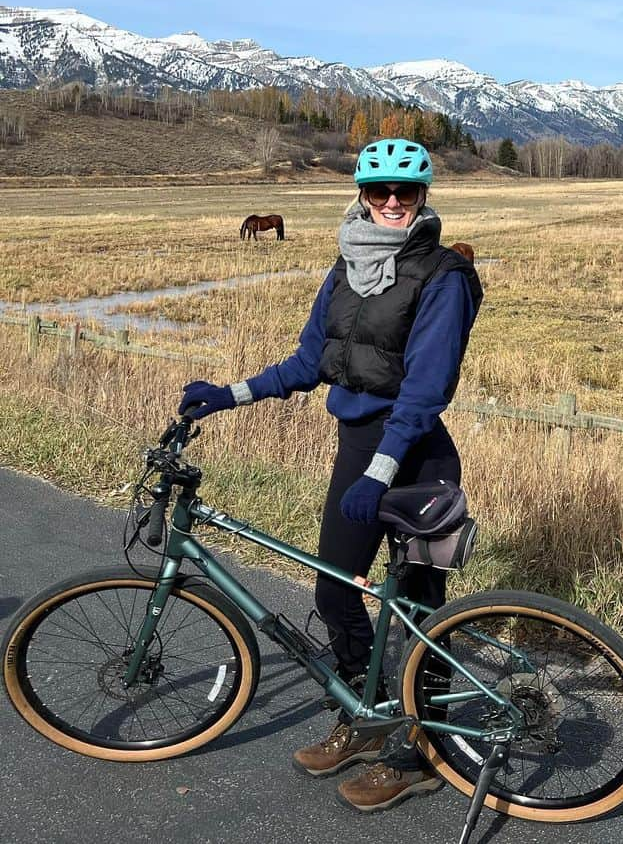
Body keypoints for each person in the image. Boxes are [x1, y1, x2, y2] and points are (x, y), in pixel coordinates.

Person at [178, 138, 483, 813]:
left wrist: (379, 472)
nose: (393, 203)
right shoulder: (344, 269)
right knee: (335, 592)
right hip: (361, 452)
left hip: (414, 458)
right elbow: (308, 361)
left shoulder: (443, 276)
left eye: (406, 193)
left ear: (424, 198)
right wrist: (230, 393)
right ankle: (368, 714)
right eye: (380, 192)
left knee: (417, 612)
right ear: (362, 196)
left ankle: (416, 754)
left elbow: (426, 389)